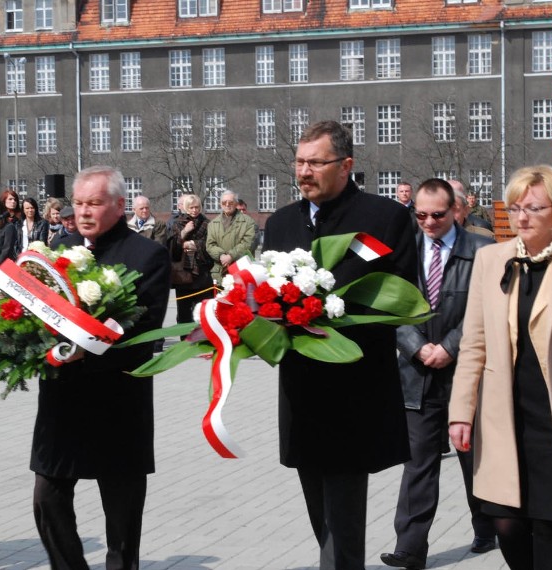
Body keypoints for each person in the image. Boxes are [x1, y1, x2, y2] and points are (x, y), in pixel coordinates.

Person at [448, 164, 552, 570]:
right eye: (516, 207)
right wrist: (460, 412)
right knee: (505, 521)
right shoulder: (491, 260)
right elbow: (473, 343)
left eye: (534, 208)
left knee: (548, 525)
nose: (522, 217)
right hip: (502, 416)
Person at [264, 120, 418, 569]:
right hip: (301, 391)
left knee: (344, 514)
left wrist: (332, 319)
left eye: (316, 162)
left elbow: (401, 295)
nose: (304, 171)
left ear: (346, 165)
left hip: (355, 389)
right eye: (299, 161)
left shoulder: (383, 218)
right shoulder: (280, 224)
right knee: (320, 510)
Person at [34, 166, 170, 570]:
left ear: (119, 205)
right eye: (78, 203)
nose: (84, 212)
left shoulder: (146, 254)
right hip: (62, 399)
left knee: (122, 517)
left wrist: (91, 351)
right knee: (47, 497)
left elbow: (144, 332)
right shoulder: (58, 250)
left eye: (94, 203)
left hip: (117, 401)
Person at [381, 179, 495, 570]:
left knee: (473, 456)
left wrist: (450, 346)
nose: (428, 222)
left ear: (457, 211)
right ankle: (410, 548)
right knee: (419, 462)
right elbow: (388, 308)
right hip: (417, 372)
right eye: (421, 214)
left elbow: (486, 311)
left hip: (467, 372)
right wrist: (416, 346)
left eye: (438, 215)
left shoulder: (482, 251)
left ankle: (487, 524)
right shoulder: (403, 252)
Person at [168, 194, 215, 326]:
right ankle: (185, 342)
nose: (194, 210)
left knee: (203, 313)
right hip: (183, 276)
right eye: (191, 207)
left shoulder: (206, 223)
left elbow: (210, 244)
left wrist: (194, 244)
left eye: (197, 207)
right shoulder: (177, 223)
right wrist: (184, 232)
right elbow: (172, 247)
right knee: (184, 315)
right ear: (186, 208)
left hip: (202, 274)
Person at [205, 190, 255, 283]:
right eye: (224, 202)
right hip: (220, 272)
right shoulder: (212, 224)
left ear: (236, 203)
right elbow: (210, 245)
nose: (227, 204)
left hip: (241, 270)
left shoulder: (248, 222)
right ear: (220, 204)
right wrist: (221, 255)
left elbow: (247, 243)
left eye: (230, 202)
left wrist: (231, 256)